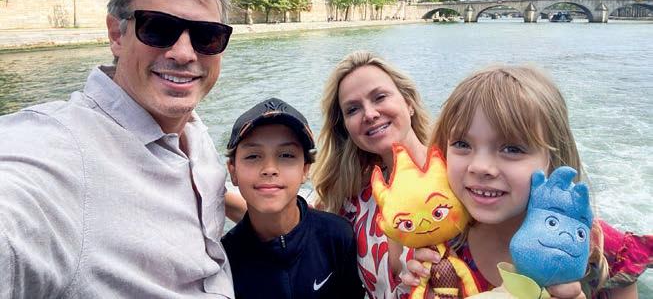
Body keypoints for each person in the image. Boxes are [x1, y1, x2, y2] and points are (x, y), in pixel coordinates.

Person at [0, 0, 238, 297]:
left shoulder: (191, 129)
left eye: (207, 36)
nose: (184, 53)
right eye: (158, 28)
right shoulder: (56, 154)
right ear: (116, 34)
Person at [402, 65, 652, 298]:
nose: (480, 166)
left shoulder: (600, 250)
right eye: (462, 144)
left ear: (553, 160)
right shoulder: (439, 243)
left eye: (512, 149)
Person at [311, 50, 432, 298]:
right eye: (353, 109)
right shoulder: (352, 198)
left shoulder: (459, 179)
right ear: (346, 128)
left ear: (408, 103)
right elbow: (286, 222)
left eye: (380, 97)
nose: (369, 114)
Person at [221, 97, 364, 298]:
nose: (270, 169)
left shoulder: (337, 236)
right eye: (253, 156)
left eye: (286, 155)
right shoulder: (223, 259)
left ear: (305, 169)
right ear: (233, 171)